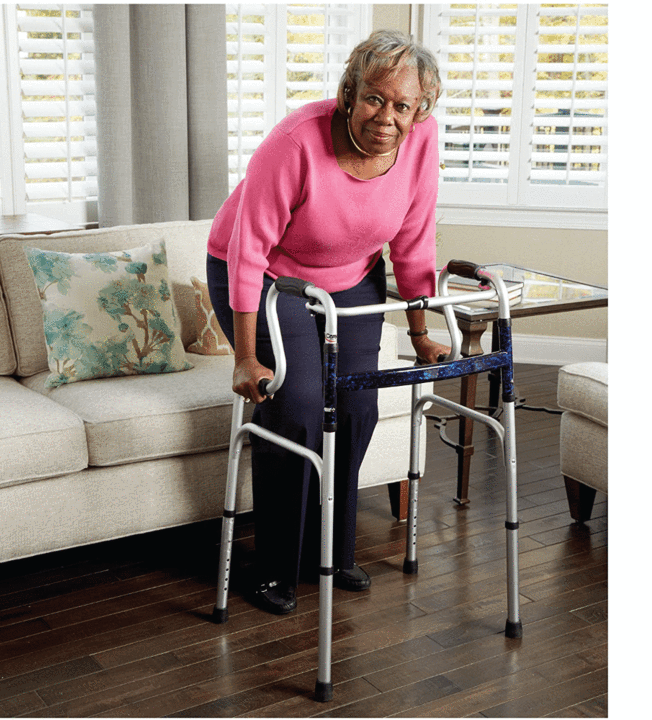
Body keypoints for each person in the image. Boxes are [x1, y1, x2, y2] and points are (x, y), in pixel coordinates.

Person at [206, 29, 450, 615]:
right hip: (267, 274)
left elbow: (414, 245)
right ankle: (273, 567)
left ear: (420, 111)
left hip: (351, 277)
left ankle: (332, 550)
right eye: (373, 97)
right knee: (296, 407)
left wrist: (419, 332)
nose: (385, 116)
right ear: (349, 92)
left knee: (357, 403)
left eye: (402, 105)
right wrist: (244, 356)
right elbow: (247, 250)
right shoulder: (296, 141)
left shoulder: (421, 145)